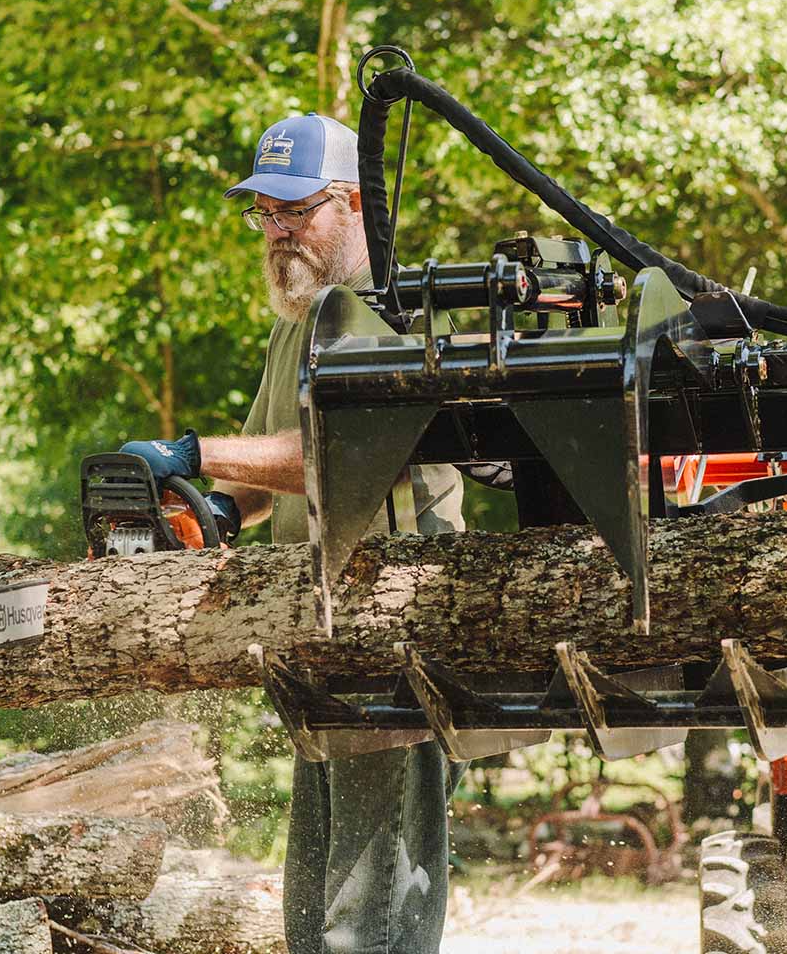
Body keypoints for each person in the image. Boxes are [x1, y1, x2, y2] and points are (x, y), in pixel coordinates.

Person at [120, 113, 467, 954]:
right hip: (318, 651)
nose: (275, 234)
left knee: (369, 926)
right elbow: (264, 479)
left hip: (392, 654)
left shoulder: (390, 314)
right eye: (262, 215)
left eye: (294, 211)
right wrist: (212, 512)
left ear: (352, 204)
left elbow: (338, 456)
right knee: (311, 923)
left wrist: (192, 452)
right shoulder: (298, 322)